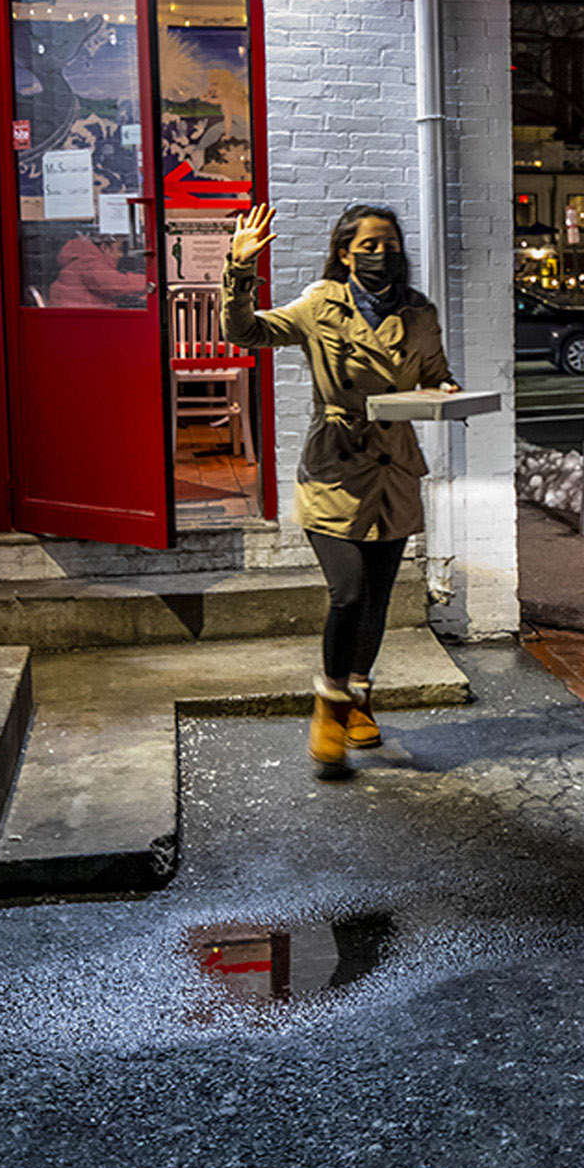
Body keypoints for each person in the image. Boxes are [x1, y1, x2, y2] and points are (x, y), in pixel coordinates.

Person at [221, 202, 458, 780]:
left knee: (378, 600)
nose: (381, 255)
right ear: (345, 253)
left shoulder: (419, 313)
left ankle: (359, 696)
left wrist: (447, 390)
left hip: (394, 468)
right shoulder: (319, 303)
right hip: (336, 465)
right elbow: (244, 332)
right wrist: (239, 269)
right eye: (368, 246)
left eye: (390, 245)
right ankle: (329, 706)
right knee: (348, 592)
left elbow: (434, 375)